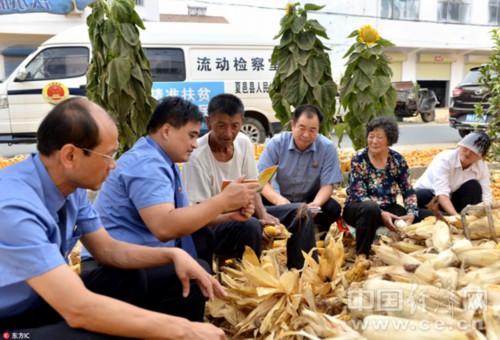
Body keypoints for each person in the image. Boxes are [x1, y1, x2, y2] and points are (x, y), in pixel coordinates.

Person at [0, 97, 227, 339]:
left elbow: (107, 250)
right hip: (11, 320)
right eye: (108, 155)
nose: (114, 165)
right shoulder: (13, 208)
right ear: (70, 156)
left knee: (136, 277)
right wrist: (183, 330)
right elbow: (78, 309)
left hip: (43, 301)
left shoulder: (71, 189)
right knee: (95, 333)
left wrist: (173, 254)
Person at [83, 96, 258, 267]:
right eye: (191, 136)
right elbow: (165, 228)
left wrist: (229, 215)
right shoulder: (146, 164)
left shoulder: (163, 161)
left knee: (240, 227)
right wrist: (223, 201)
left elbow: (183, 215)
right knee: (196, 277)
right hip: (118, 262)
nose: (195, 144)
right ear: (166, 131)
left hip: (146, 252)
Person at [181, 94, 317, 269]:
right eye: (221, 126)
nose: (228, 133)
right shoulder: (196, 156)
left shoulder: (243, 142)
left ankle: (303, 273)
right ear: (208, 122)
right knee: (251, 225)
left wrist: (263, 215)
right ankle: (249, 281)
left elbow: (253, 187)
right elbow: (198, 214)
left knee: (301, 212)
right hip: (213, 224)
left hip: (245, 213)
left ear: (242, 122)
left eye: (235, 126)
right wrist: (248, 219)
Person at [342, 116, 430, 257]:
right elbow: (358, 192)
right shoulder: (360, 158)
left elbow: (408, 191)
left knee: (425, 216)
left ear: (389, 140)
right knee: (370, 209)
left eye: (379, 137)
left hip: (388, 207)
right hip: (359, 207)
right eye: (371, 136)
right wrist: (381, 213)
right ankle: (362, 255)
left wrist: (411, 213)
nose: (374, 141)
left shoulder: (397, 160)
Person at [257, 104, 343, 235]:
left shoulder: (326, 147)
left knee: (333, 208)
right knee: (254, 206)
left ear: (318, 129)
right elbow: (262, 181)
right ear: (293, 125)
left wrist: (316, 204)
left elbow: (327, 184)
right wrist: (278, 200)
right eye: (301, 128)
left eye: (312, 130)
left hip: (308, 201)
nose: (306, 135)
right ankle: (271, 231)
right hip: (278, 200)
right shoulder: (277, 143)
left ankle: (315, 233)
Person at [414, 131, 492, 217]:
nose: (468, 153)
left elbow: (486, 197)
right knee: (420, 194)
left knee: (473, 186)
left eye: (474, 151)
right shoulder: (445, 159)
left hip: (453, 199)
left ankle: (466, 217)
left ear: (482, 156)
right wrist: (455, 216)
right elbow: (441, 193)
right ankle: (446, 215)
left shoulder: (482, 167)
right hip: (432, 198)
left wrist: (487, 213)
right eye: (466, 147)